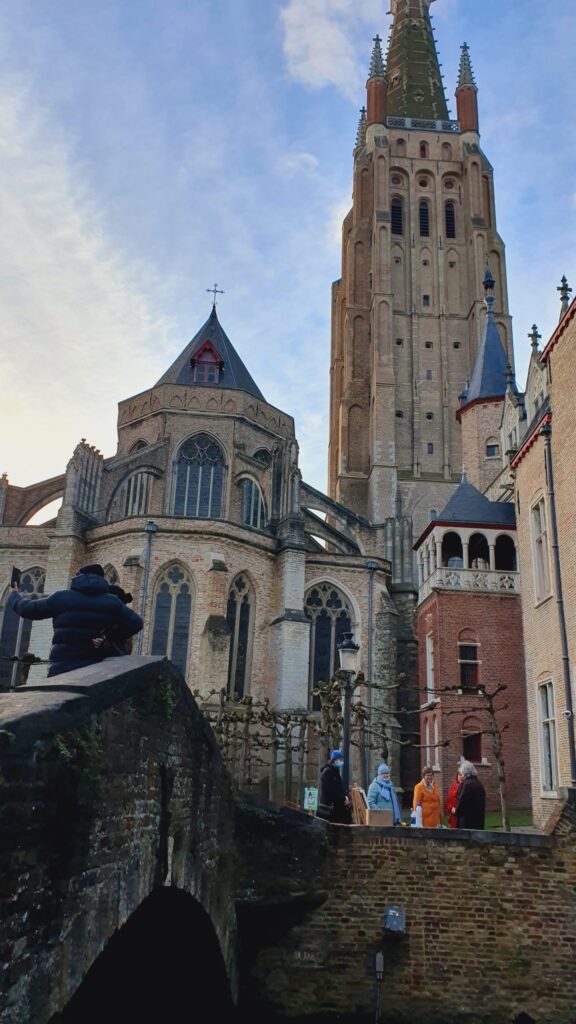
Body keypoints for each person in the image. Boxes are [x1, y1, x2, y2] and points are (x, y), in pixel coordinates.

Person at [8, 564, 143, 678]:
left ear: (78, 577)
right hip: (96, 669)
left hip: (62, 667)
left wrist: (14, 595)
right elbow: (136, 623)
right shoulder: (112, 601)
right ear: (102, 580)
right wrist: (109, 638)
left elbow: (27, 609)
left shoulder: (61, 598)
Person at [317, 749, 351, 824]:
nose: (341, 761)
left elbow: (340, 788)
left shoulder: (335, 772)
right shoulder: (328, 772)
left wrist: (346, 796)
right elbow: (331, 790)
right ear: (334, 760)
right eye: (340, 759)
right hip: (329, 808)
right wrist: (343, 798)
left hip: (336, 807)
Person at [456, 760, 486, 829]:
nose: (461, 775)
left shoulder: (467, 785)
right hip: (478, 822)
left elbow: (461, 805)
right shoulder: (479, 784)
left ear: (465, 773)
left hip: (468, 824)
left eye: (462, 773)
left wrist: (456, 811)